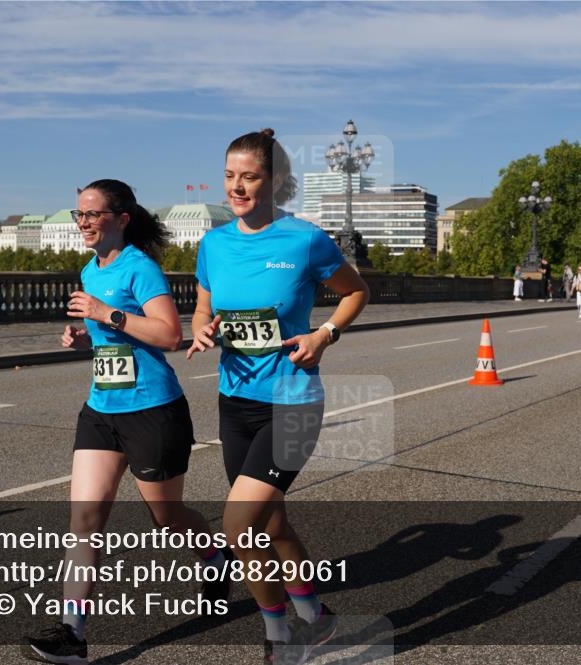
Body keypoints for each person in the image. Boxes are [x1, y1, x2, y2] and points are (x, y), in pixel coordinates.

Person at [23, 180, 229, 665]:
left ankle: (218, 559)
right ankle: (72, 632)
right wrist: (84, 336)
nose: (84, 223)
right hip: (101, 410)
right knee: (85, 521)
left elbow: (169, 335)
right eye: (79, 215)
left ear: (121, 219)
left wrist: (106, 313)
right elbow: (113, 340)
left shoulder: (141, 269)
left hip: (152, 410)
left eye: (93, 214)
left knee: (168, 519)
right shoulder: (90, 269)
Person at [187, 128, 370, 664]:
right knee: (271, 523)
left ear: (277, 181)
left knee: (237, 525)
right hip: (234, 401)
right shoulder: (214, 244)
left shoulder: (305, 239)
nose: (237, 187)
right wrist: (202, 329)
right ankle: (321, 619)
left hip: (293, 401)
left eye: (249, 176)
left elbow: (356, 291)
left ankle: (280, 637)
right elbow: (203, 306)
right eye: (229, 176)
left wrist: (323, 335)